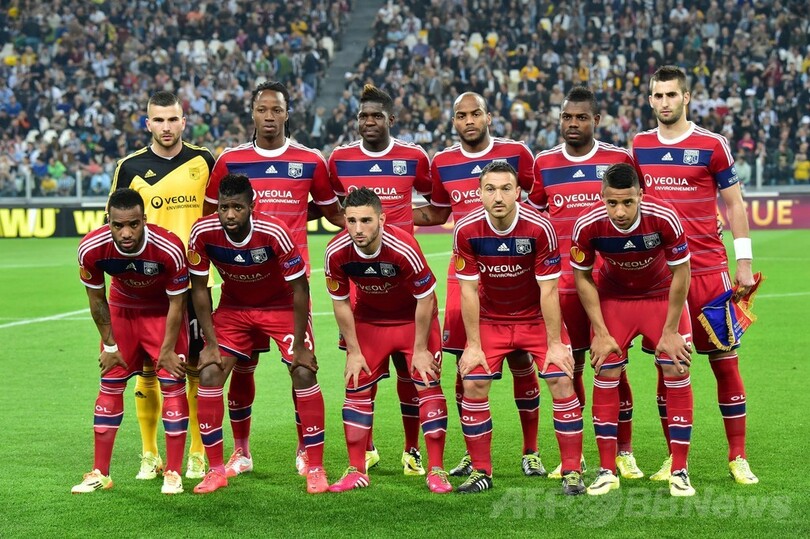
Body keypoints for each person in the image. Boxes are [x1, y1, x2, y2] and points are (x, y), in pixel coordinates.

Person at [203, 81, 343, 478]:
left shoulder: (310, 160)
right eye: (262, 109)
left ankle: (306, 451)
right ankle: (241, 452)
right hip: (239, 286)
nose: (269, 116)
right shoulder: (230, 160)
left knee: (300, 366)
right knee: (241, 368)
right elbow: (212, 214)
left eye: (276, 109)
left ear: (286, 113)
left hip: (288, 288)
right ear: (252, 113)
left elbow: (331, 211)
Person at [633, 66, 758, 485]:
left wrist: (743, 262)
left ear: (685, 97)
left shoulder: (712, 144)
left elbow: (735, 204)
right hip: (661, 278)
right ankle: (674, 457)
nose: (664, 102)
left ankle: (737, 456)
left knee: (725, 362)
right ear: (650, 100)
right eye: (658, 95)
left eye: (671, 94)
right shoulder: (640, 145)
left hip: (708, 271)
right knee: (666, 366)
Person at [412, 92, 545, 478]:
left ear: (489, 117)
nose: (468, 121)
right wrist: (394, 212)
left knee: (521, 357)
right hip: (465, 273)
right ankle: (473, 454)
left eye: (475, 114)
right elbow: (438, 212)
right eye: (461, 115)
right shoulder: (443, 162)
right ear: (454, 121)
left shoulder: (517, 153)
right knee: (464, 361)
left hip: (515, 269)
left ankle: (531, 450)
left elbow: (539, 201)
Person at [529, 86, 643, 480]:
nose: (573, 124)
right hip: (561, 285)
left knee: (614, 367)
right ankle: (573, 456)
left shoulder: (618, 159)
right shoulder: (544, 163)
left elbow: (643, 207)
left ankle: (624, 451)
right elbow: (534, 217)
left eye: (580, 117)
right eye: (567, 117)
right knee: (569, 368)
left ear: (596, 120)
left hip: (608, 287)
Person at [187, 174, 327, 494]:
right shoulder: (202, 231)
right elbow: (199, 289)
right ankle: (221, 467)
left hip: (281, 305)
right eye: (224, 207)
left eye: (237, 207)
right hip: (235, 307)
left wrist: (300, 345)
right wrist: (210, 344)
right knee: (209, 372)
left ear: (252, 205)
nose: (230, 215)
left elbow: (300, 287)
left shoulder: (273, 231)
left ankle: (314, 463)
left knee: (303, 371)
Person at [453, 161, 585, 495]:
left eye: (505, 188)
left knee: (560, 378)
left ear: (518, 192)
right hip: (491, 320)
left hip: (535, 318)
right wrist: (473, 345)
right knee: (473, 381)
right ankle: (481, 471)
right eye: (490, 189)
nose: (498, 197)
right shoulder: (466, 229)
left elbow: (549, 290)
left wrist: (555, 343)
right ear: (479, 193)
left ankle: (572, 471)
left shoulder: (540, 227)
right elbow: (468, 290)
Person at [570, 163, 695, 497]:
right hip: (615, 300)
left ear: (641, 194)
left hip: (660, 297)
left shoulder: (664, 217)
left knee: (676, 366)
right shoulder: (588, 223)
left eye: (628, 202)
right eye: (612, 203)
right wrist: (600, 332)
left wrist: (671, 330)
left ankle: (680, 469)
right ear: (602, 197)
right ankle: (607, 470)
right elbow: (582, 277)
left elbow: (682, 272)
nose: (620, 212)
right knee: (606, 370)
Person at [109, 91, 215, 481]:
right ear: (147, 123)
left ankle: (197, 452)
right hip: (148, 284)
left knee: (194, 366)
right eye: (159, 120)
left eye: (172, 119)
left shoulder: (204, 160)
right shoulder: (130, 167)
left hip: (196, 282)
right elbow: (116, 223)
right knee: (148, 369)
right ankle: (149, 453)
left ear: (184, 121)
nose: (166, 127)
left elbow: (217, 216)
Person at [328, 84, 432, 476]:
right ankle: (366, 449)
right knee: (359, 370)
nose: (369, 122)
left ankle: (412, 449)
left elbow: (436, 204)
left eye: (376, 116)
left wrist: (403, 224)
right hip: (362, 286)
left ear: (391, 119)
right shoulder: (340, 158)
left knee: (410, 373)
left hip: (404, 281)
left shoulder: (413, 156)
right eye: (363, 116)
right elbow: (331, 206)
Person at [324, 188, 451, 494]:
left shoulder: (403, 247)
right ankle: (356, 469)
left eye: (366, 221)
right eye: (351, 221)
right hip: (370, 320)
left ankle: (436, 470)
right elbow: (340, 302)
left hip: (412, 320)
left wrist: (420, 349)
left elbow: (425, 298)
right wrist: (353, 351)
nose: (358, 229)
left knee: (427, 383)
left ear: (381, 219)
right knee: (355, 383)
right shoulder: (335, 251)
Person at [72, 189, 189, 495]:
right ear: (108, 221)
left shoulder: (169, 247)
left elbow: (178, 303)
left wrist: (167, 350)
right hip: (122, 311)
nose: (126, 233)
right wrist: (110, 346)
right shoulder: (91, 248)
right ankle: (100, 473)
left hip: (162, 313)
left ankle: (174, 472)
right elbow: (96, 299)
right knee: (109, 385)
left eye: (134, 224)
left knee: (172, 384)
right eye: (118, 225)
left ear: (144, 220)